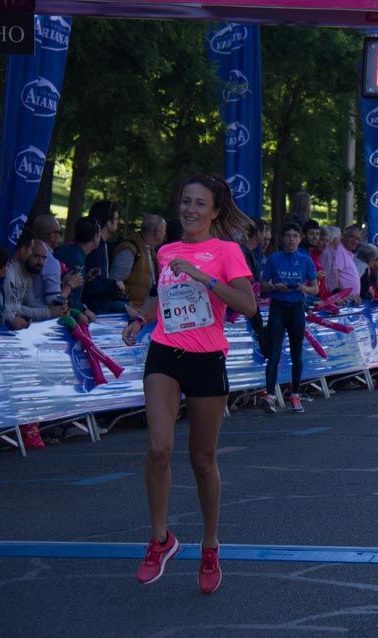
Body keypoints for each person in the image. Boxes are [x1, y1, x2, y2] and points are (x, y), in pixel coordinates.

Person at [120, 174, 256, 594]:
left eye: (200, 204)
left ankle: (210, 545)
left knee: (202, 460)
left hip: (206, 359)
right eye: (185, 201)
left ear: (215, 212)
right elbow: (165, 297)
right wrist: (142, 317)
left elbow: (248, 306)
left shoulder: (227, 251)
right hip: (164, 353)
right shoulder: (166, 251)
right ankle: (160, 540)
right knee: (159, 447)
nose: (190, 210)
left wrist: (205, 277)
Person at [258, 222, 318, 414]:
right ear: (282, 238)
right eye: (288, 236)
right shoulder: (274, 259)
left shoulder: (306, 260)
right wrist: (276, 287)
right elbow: (263, 286)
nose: (291, 239)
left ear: (300, 239)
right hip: (278, 307)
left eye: (295, 236)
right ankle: (269, 396)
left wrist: (304, 289)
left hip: (296, 309)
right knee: (274, 354)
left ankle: (295, 395)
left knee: (296, 354)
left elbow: (315, 288)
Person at [111, 214, 166, 309]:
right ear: (158, 233)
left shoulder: (149, 248)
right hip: (130, 313)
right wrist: (126, 306)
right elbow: (114, 283)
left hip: (142, 312)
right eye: (164, 231)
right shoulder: (129, 250)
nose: (165, 234)